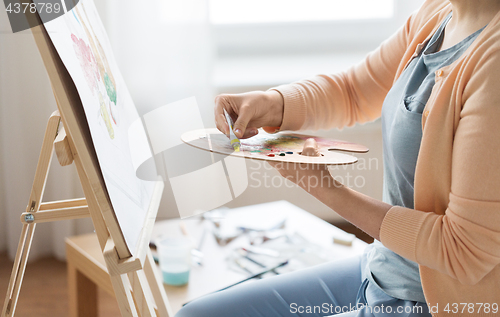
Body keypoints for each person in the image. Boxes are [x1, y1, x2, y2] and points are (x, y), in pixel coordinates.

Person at [176, 0, 500, 316]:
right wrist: (272, 103)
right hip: (380, 267)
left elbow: (464, 251)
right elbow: (354, 91)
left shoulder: (492, 64)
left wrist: (323, 188)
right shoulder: (439, 13)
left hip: (429, 301)